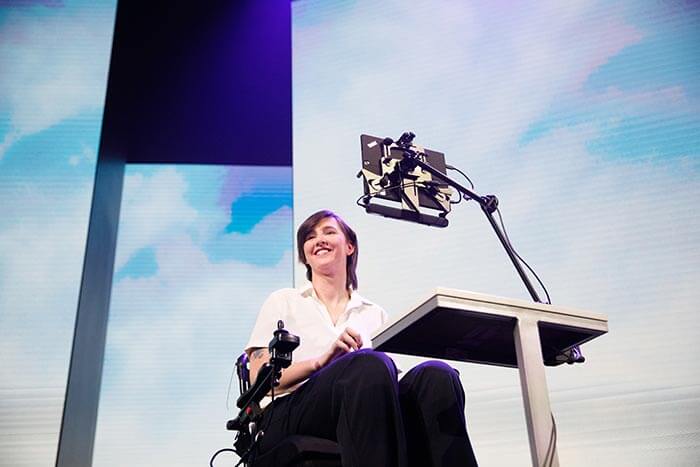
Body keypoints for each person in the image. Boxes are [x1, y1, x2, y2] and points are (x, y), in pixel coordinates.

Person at [245, 209, 478, 467]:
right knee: (367, 364)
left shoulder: (374, 313)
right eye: (310, 237)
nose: (319, 239)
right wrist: (321, 362)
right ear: (305, 256)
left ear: (350, 247)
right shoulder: (284, 301)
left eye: (329, 232)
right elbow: (258, 379)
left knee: (437, 376)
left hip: (363, 406)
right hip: (290, 411)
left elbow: (390, 384)